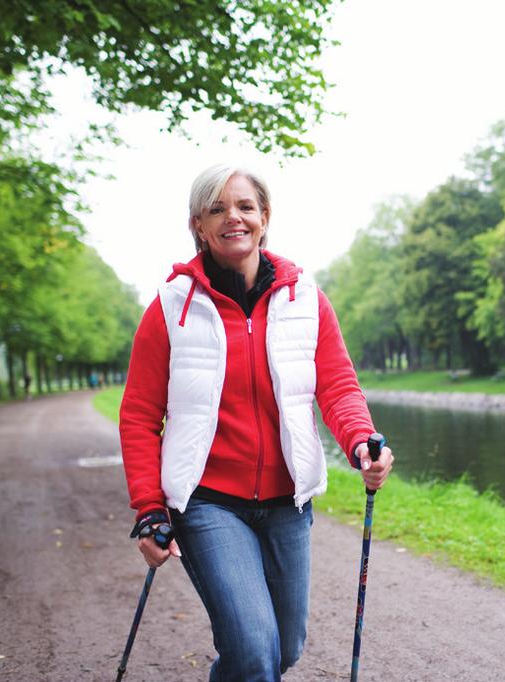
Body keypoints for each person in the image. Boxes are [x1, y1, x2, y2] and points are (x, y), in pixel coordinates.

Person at [119, 164, 394, 681]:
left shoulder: (305, 301)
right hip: (208, 504)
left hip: (287, 503)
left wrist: (361, 441)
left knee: (283, 650)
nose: (234, 218)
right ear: (198, 225)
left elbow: (336, 386)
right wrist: (149, 507)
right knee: (252, 650)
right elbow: (138, 416)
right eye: (217, 209)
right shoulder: (170, 307)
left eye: (245, 207)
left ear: (265, 218)